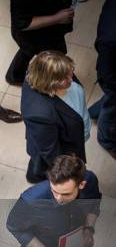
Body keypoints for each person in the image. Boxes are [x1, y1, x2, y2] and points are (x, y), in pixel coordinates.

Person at [6, 0, 84, 86]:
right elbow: (22, 23)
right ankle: (68, 80)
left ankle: (15, 75)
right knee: (47, 54)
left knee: (27, 51)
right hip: (36, 33)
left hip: (52, 28)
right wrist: (57, 18)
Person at [21, 51, 88, 184]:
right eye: (65, 78)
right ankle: (37, 177)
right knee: (42, 167)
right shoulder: (40, 114)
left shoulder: (37, 72)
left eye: (71, 72)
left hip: (55, 136)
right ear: (50, 82)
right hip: (59, 147)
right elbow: (52, 153)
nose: (71, 79)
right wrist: (70, 171)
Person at [88, 0, 116, 159]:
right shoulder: (112, 37)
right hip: (112, 71)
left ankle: (96, 111)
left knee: (110, 99)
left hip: (110, 63)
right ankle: (107, 139)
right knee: (113, 102)